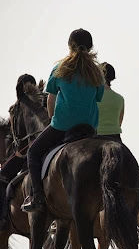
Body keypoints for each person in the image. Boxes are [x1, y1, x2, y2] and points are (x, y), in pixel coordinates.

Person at [21, 28, 104, 212]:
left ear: (70, 46)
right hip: (90, 128)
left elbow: (50, 99)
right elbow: (97, 98)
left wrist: (52, 120)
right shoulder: (97, 72)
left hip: (63, 126)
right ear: (91, 48)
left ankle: (38, 198)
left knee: (33, 153)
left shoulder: (59, 68)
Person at [0, 74, 38, 230]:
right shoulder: (41, 101)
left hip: (24, 152)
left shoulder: (16, 108)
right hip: (44, 147)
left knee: (2, 177)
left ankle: (2, 218)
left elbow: (16, 137)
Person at [97, 63, 124, 142]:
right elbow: (119, 123)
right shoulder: (120, 99)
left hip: (96, 136)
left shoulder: (93, 97)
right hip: (116, 138)